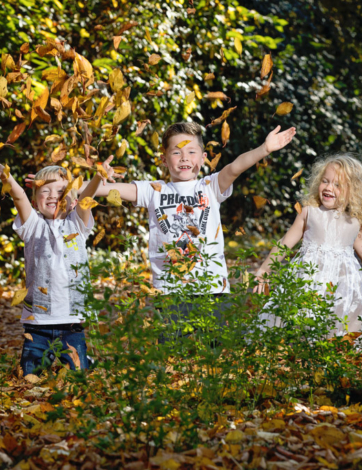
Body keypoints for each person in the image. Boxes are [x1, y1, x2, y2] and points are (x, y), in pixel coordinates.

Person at [94, 121, 296, 333]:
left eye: (191, 151)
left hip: (212, 289)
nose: (184, 158)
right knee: (174, 355)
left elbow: (235, 167)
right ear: (163, 159)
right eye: (176, 152)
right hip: (171, 291)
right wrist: (95, 180)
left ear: (203, 158)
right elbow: (102, 190)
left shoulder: (210, 186)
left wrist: (264, 149)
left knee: (214, 354)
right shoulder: (153, 190)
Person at [0, 158, 115, 376]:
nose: (53, 195)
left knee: (77, 375)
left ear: (73, 201)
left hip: (71, 323)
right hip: (37, 324)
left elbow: (87, 198)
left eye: (61, 190)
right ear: (35, 202)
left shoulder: (77, 225)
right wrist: (6, 176)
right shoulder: (32, 226)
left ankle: (84, 360)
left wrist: (99, 177)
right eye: (45, 190)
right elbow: (19, 197)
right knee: (29, 376)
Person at [253, 153, 362, 342]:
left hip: (343, 289)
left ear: (353, 191)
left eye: (337, 185)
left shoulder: (354, 223)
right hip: (308, 283)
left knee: (341, 327)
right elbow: (284, 244)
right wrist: (264, 269)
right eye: (325, 181)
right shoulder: (309, 214)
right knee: (301, 322)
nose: (329, 188)